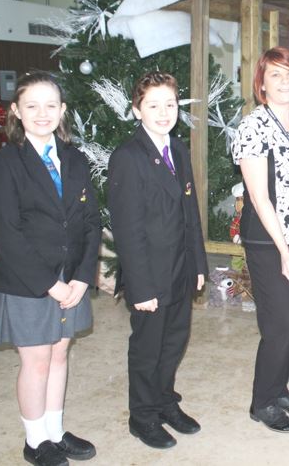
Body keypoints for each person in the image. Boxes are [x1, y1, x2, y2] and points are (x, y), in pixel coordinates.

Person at [0, 71, 100, 466]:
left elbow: (89, 221)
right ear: (16, 111)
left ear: (62, 110)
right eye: (32, 105)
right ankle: (35, 442)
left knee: (60, 355)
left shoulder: (75, 158)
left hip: (72, 278)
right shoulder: (4, 163)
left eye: (51, 105)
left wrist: (82, 276)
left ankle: (55, 431)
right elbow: (7, 233)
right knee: (37, 361)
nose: (42, 113)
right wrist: (52, 284)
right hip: (28, 282)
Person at [108, 71, 208, 449]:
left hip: (181, 269)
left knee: (174, 341)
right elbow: (127, 230)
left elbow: (190, 211)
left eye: (170, 104)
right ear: (137, 110)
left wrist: (199, 263)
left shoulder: (177, 149)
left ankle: (165, 401)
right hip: (150, 273)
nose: (163, 113)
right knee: (147, 348)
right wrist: (141, 286)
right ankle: (142, 416)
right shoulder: (128, 157)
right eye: (153, 105)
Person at [231, 46, 289, 433]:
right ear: (262, 85)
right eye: (275, 75)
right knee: (280, 322)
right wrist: (284, 251)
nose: (285, 81)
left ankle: (279, 389)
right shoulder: (253, 127)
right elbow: (259, 196)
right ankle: (262, 402)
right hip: (268, 241)